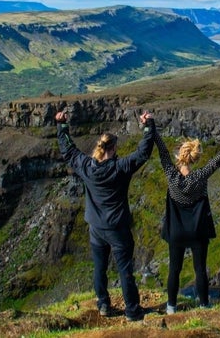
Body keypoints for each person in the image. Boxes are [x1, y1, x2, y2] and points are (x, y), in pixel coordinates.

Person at [55, 108, 156, 321]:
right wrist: (148, 127)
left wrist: (62, 125)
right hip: (117, 228)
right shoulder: (120, 168)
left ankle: (103, 304)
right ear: (113, 148)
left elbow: (68, 151)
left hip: (96, 228)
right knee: (125, 269)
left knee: (99, 268)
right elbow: (143, 153)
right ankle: (132, 311)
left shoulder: (86, 167)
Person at [154, 132, 220, 314]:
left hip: (176, 232)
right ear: (194, 158)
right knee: (200, 269)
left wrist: (152, 128)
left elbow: (162, 152)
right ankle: (204, 305)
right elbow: (215, 163)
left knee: (174, 269)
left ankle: (171, 307)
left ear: (180, 156)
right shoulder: (200, 177)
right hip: (197, 231)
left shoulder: (172, 176)